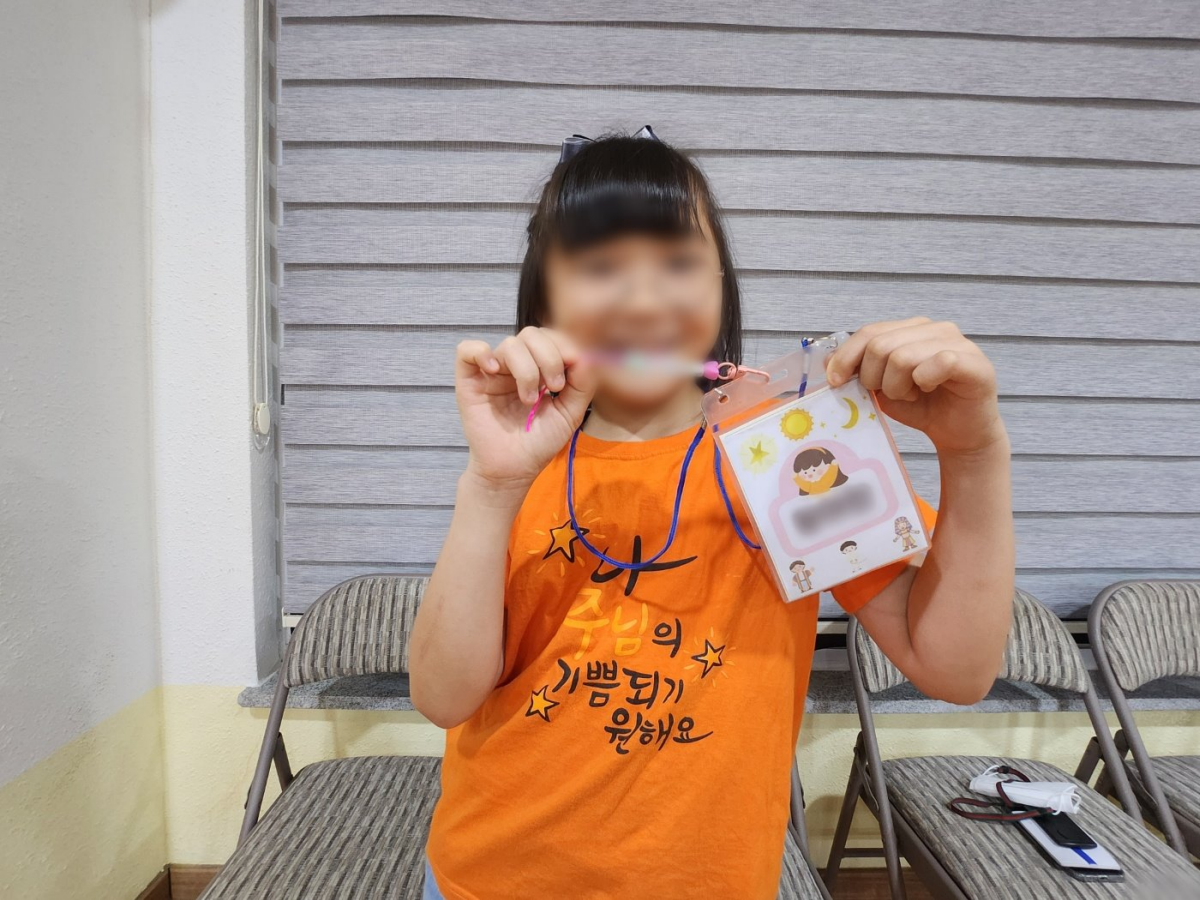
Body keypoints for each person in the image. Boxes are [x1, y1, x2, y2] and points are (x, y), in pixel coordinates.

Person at [410, 129, 1014, 900]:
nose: (643, 298)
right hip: (488, 879)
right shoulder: (519, 460)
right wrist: (491, 486)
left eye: (677, 262)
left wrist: (974, 454)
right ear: (543, 300)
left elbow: (956, 669)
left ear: (720, 281)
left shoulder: (790, 453)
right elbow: (443, 697)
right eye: (600, 268)